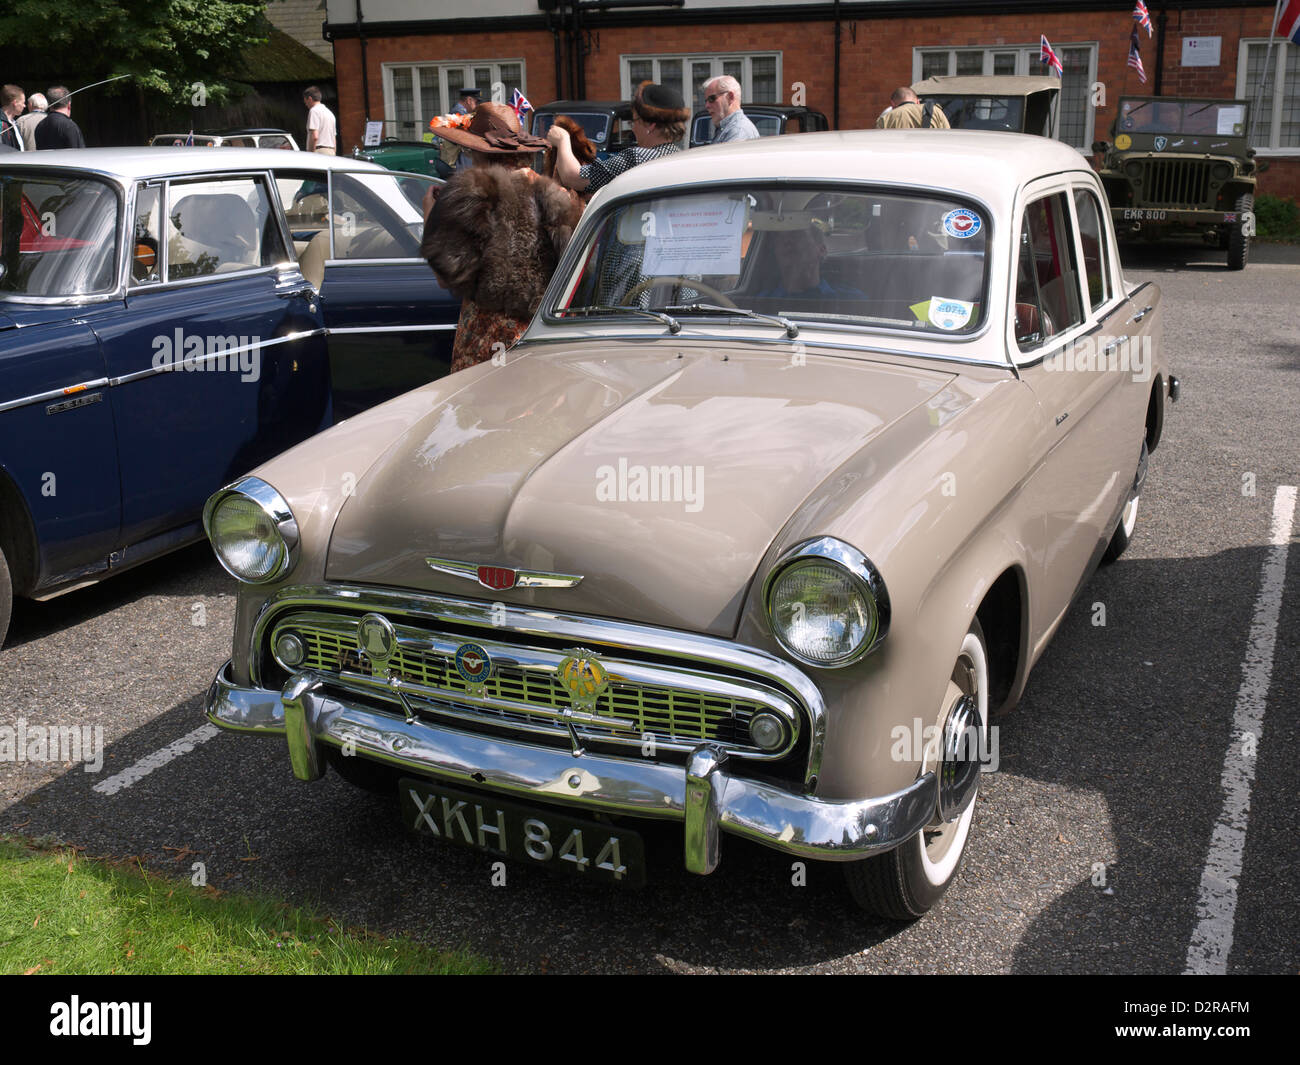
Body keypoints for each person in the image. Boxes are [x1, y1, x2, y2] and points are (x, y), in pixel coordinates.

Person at [421, 101, 582, 374]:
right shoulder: (557, 196)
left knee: (486, 412)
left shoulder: (470, 196)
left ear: (477, 151)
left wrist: (430, 216)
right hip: (540, 336)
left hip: (485, 338)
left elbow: (444, 275)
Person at [546, 81, 688, 195]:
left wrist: (562, 140)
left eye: (634, 121)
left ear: (650, 125)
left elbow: (574, 177)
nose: (632, 129)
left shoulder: (638, 158)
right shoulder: (680, 156)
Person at [755, 225, 863, 300]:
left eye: (796, 235)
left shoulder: (851, 299)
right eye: (779, 238)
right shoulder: (758, 303)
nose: (787, 241)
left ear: (821, 250)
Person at [701, 75, 759, 144]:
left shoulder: (739, 131)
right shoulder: (727, 128)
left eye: (711, 99)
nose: (707, 105)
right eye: (706, 101)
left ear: (730, 97)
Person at [875, 87, 950, 130]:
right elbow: (948, 137)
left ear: (892, 104)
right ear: (917, 101)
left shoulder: (885, 119)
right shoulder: (935, 111)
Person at [302, 85, 336, 154]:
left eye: (305, 101)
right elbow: (334, 138)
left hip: (319, 151)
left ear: (310, 98)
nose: (305, 104)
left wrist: (311, 154)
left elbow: (315, 136)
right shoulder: (330, 113)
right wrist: (334, 152)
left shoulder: (314, 111)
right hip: (331, 151)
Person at [1, 85, 25, 151]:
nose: (24, 106)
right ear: (15, 103)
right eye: (23, 102)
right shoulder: (1, 124)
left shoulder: (14, 122)